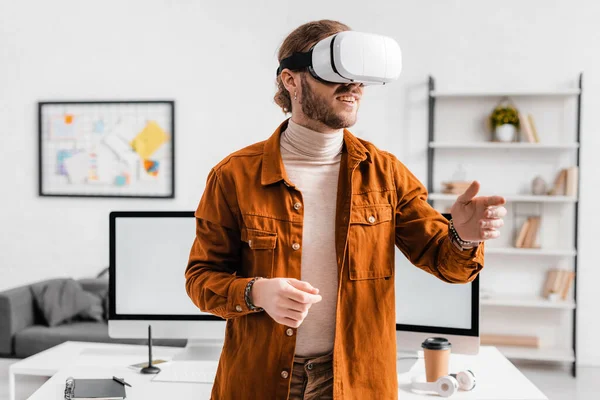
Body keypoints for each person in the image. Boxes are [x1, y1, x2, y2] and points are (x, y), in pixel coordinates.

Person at [185, 19, 506, 400]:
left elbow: (449, 266)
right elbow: (201, 279)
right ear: (291, 80)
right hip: (261, 381)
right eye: (337, 72)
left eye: (359, 77)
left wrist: (463, 237)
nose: (354, 86)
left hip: (355, 382)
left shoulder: (385, 174)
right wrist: (258, 292)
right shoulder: (234, 175)